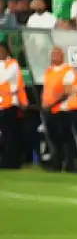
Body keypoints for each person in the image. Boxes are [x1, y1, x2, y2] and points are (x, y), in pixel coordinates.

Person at [0, 42, 28, 170]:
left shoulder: (13, 64)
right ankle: (6, 159)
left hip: (10, 104)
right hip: (1, 104)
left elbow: (4, 79)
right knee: (6, 135)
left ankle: (12, 161)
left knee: (10, 134)